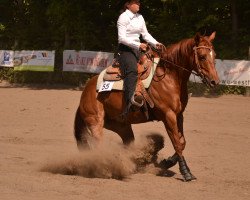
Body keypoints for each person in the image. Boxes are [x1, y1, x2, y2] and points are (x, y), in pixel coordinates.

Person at [117, 0, 162, 113]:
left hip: (139, 49)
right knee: (132, 70)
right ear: (128, 4)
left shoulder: (140, 17)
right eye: (135, 2)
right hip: (125, 50)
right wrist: (138, 44)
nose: (138, 4)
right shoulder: (123, 17)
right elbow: (121, 38)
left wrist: (156, 43)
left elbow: (145, 34)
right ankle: (129, 104)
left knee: (156, 64)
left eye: (139, 2)